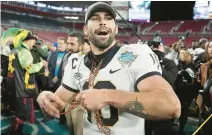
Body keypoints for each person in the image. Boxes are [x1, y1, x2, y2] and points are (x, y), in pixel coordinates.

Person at [37, 2, 181, 135]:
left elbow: (171, 106)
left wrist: (106, 96)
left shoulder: (136, 54)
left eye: (108, 18)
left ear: (116, 29)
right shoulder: (76, 61)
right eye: (95, 18)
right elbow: (56, 105)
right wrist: (45, 98)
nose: (102, 21)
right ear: (85, 31)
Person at [5, 30, 47, 135]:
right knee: (23, 114)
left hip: (15, 86)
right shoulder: (24, 51)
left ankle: (16, 131)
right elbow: (30, 69)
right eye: (33, 40)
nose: (34, 43)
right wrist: (41, 64)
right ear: (28, 41)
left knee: (20, 112)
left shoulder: (15, 50)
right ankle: (14, 132)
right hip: (23, 88)